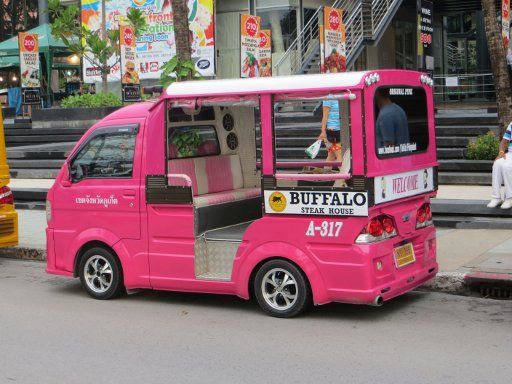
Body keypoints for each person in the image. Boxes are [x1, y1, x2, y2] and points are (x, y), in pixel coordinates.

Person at [487, 123, 512, 209]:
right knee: (497, 163)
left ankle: (509, 198)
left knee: (507, 166)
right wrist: (501, 152)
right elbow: (504, 141)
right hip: (510, 154)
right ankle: (496, 197)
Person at [318, 99, 342, 164]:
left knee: (331, 156)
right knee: (339, 155)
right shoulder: (328, 99)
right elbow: (325, 116)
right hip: (333, 131)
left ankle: (326, 172)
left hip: (340, 129)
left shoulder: (340, 97)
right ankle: (344, 173)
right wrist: (323, 131)